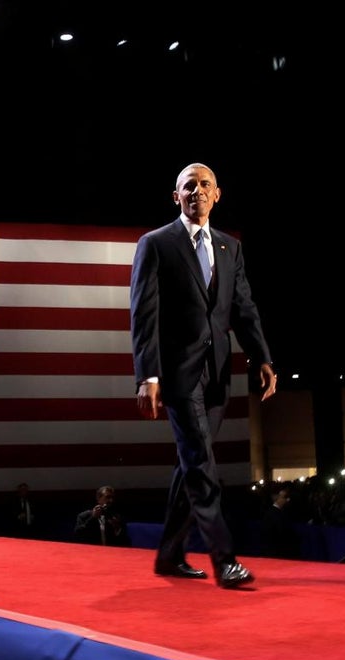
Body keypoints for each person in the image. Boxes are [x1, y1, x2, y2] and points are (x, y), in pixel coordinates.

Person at [129, 162, 277, 588]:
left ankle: (169, 554)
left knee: (191, 464)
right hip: (177, 376)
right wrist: (148, 376)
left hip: (217, 375)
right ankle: (224, 558)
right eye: (188, 186)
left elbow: (243, 309)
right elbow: (143, 315)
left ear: (218, 194)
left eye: (204, 184)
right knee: (201, 461)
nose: (197, 191)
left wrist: (262, 357)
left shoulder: (231, 247)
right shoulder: (155, 244)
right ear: (176, 197)